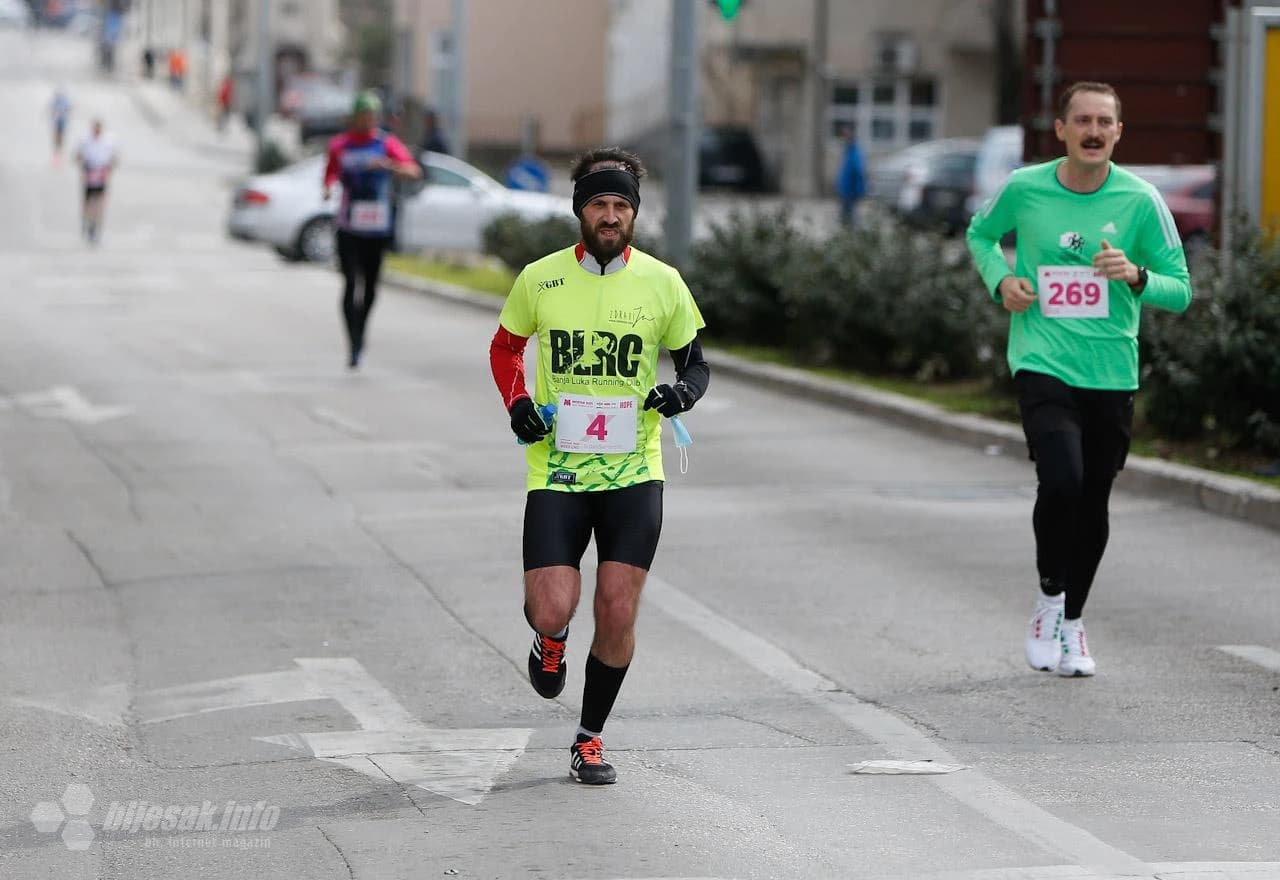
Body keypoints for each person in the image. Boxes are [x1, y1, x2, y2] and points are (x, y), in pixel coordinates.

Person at [488, 147, 710, 784]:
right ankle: (548, 640)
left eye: (621, 206)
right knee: (551, 606)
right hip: (557, 469)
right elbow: (506, 349)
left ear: (633, 214)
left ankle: (590, 738)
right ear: (580, 211)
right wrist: (519, 403)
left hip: (633, 472)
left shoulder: (663, 283)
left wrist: (682, 395)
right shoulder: (541, 278)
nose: (609, 216)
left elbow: (694, 362)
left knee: (617, 608)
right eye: (598, 204)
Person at [966, 82, 1191, 677]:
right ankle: (1047, 601)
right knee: (1061, 478)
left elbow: (1183, 289)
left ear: (1119, 132)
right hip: (1041, 358)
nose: (1094, 131)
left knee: (1093, 497)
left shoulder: (1142, 201)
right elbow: (980, 234)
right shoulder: (1025, 188)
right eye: (1083, 120)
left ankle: (1073, 623)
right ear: (1061, 129)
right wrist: (1002, 281)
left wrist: (1137, 275)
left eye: (1105, 122)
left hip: (1111, 370)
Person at [323, 91, 421, 368]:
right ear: (354, 117)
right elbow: (330, 173)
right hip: (349, 226)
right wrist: (327, 187)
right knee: (350, 283)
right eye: (362, 115)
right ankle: (353, 341)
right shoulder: (340, 145)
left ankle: (361, 332)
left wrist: (390, 166)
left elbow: (413, 170)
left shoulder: (385, 143)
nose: (367, 120)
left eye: (371, 116)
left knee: (370, 288)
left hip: (376, 228)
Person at [76, 119, 117, 245]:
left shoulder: (108, 142)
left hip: (101, 174)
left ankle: (96, 227)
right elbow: (77, 156)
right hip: (89, 172)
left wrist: (108, 169)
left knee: (99, 203)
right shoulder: (85, 141)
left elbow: (114, 158)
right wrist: (83, 165)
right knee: (88, 203)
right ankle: (86, 222)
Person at [835, 124, 867, 228]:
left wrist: (859, 191)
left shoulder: (855, 152)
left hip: (851, 192)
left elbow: (859, 172)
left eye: (846, 134)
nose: (844, 137)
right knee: (845, 220)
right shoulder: (848, 151)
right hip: (844, 191)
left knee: (852, 220)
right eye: (843, 135)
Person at [50, 88, 71, 157]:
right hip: (58, 120)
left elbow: (68, 109)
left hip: (61, 120)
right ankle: (58, 151)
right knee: (58, 136)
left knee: (60, 136)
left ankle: (59, 151)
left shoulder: (61, 100)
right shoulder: (58, 100)